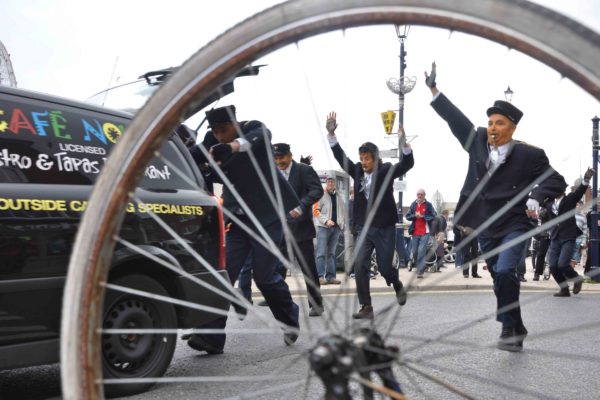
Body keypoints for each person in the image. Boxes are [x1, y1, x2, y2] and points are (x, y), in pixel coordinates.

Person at [425, 63, 567, 352]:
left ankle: (507, 328)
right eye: (490, 123)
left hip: (515, 223)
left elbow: (557, 181)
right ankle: (518, 325)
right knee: (500, 279)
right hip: (485, 224)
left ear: (512, 128)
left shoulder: (530, 155)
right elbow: (455, 119)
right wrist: (434, 90)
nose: (492, 128)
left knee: (505, 272)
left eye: (499, 123)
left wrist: (537, 196)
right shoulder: (477, 141)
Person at [187, 105, 301, 353]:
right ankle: (211, 337)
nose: (218, 136)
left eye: (223, 130)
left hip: (266, 217)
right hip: (236, 219)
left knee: (265, 277)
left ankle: (290, 319)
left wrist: (231, 147)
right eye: (215, 131)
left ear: (235, 124)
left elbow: (253, 139)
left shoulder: (254, 129)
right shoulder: (211, 140)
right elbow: (192, 155)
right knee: (223, 276)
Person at [325, 112, 414, 319]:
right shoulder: (356, 170)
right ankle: (366, 307)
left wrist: (404, 145)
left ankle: (396, 282)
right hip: (363, 227)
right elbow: (341, 158)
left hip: (384, 227)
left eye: (367, 158)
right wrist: (331, 135)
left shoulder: (386, 170)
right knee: (360, 265)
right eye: (361, 158)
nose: (363, 162)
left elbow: (407, 164)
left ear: (375, 158)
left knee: (384, 268)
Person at [273, 142, 325, 316]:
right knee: (277, 268)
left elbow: (317, 191)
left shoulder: (303, 170)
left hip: (301, 230)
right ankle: (276, 298)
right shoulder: (273, 173)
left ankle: (316, 304)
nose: (279, 161)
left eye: (282, 157)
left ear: (290, 155)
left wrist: (301, 206)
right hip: (280, 229)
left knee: (308, 269)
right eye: (276, 158)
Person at [544, 168, 594, 297]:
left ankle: (577, 279)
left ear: (562, 190)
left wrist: (586, 179)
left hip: (568, 236)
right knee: (553, 266)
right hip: (555, 237)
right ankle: (564, 289)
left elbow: (580, 191)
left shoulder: (570, 199)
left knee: (562, 265)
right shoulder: (548, 203)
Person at [314, 176, 346, 285]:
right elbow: (315, 211)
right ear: (326, 183)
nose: (330, 183)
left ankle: (331, 277)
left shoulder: (339, 196)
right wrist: (326, 221)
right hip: (323, 228)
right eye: (328, 181)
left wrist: (342, 224)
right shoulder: (320, 195)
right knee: (321, 253)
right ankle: (319, 277)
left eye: (332, 181)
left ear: (335, 183)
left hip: (336, 228)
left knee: (331, 253)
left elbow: (343, 211)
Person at [406, 189, 436, 277]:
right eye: (418, 194)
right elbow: (407, 216)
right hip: (415, 232)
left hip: (425, 232)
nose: (419, 196)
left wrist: (423, 216)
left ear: (424, 195)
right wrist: (414, 215)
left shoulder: (428, 205)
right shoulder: (413, 204)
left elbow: (433, 215)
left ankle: (420, 271)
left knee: (421, 251)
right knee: (414, 251)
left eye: (421, 194)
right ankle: (420, 266)